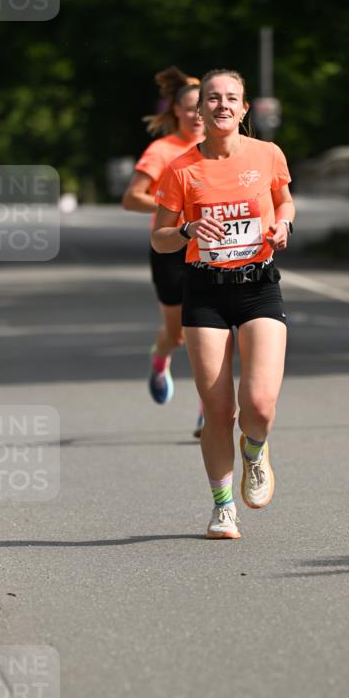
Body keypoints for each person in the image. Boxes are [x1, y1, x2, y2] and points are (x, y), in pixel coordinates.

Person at [151, 69, 295, 539]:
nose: (221, 106)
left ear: (245, 108)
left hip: (258, 285)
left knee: (258, 404)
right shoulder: (180, 169)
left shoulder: (268, 154)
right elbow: (160, 237)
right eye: (212, 99)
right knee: (217, 411)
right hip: (205, 290)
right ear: (199, 110)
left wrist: (285, 225)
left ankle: (255, 451)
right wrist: (189, 230)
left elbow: (285, 202)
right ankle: (222, 506)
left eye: (231, 98)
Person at [122, 67, 205, 436]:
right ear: (176, 112)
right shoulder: (163, 150)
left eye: (202, 106)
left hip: (214, 249)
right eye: (189, 108)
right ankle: (161, 358)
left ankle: (210, 410)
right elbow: (131, 198)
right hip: (171, 246)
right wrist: (171, 208)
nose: (197, 114)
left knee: (212, 330)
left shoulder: (225, 146)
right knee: (179, 334)